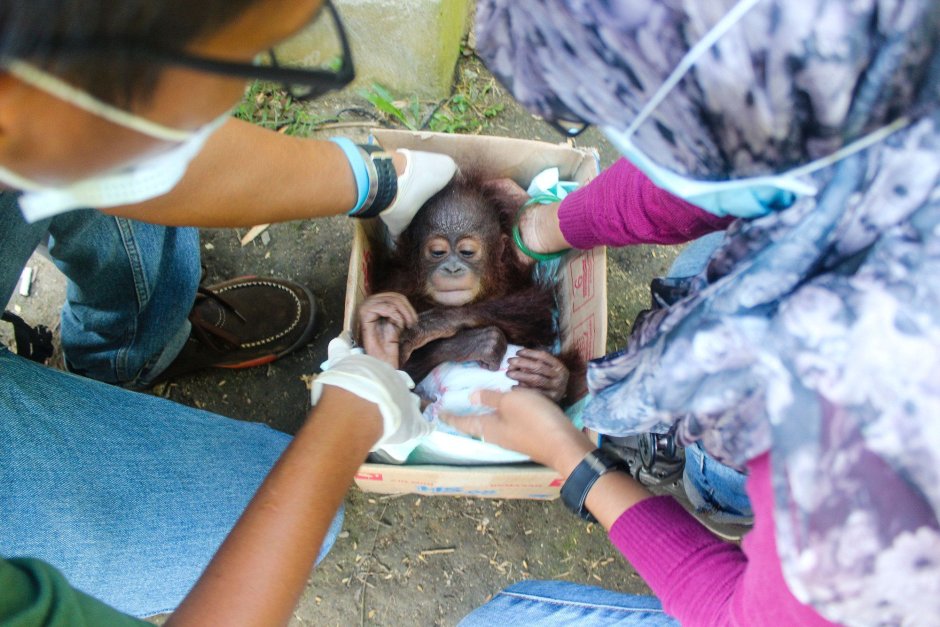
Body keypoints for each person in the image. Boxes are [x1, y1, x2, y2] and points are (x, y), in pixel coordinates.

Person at [452, 0, 940, 625]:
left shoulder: (855, 440)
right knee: (700, 270)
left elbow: (742, 618)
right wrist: (542, 229)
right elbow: (698, 167)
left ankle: (721, 485)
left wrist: (574, 460)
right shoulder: (874, 58)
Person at [0, 0, 455, 621]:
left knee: (128, 146)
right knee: (273, 500)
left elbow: (131, 145)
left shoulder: (43, 92)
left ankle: (131, 348)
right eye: (234, 61)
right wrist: (350, 416)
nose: (240, 91)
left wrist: (374, 179)